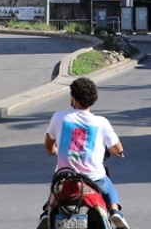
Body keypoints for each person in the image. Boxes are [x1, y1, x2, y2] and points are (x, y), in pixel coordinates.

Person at [39, 77, 128, 229]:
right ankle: (115, 212)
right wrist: (113, 152)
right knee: (110, 189)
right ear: (93, 100)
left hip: (64, 176)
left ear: (73, 98)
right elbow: (118, 148)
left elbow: (49, 145)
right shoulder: (101, 122)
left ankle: (47, 213)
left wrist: (54, 151)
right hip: (93, 178)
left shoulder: (59, 117)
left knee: (56, 188)